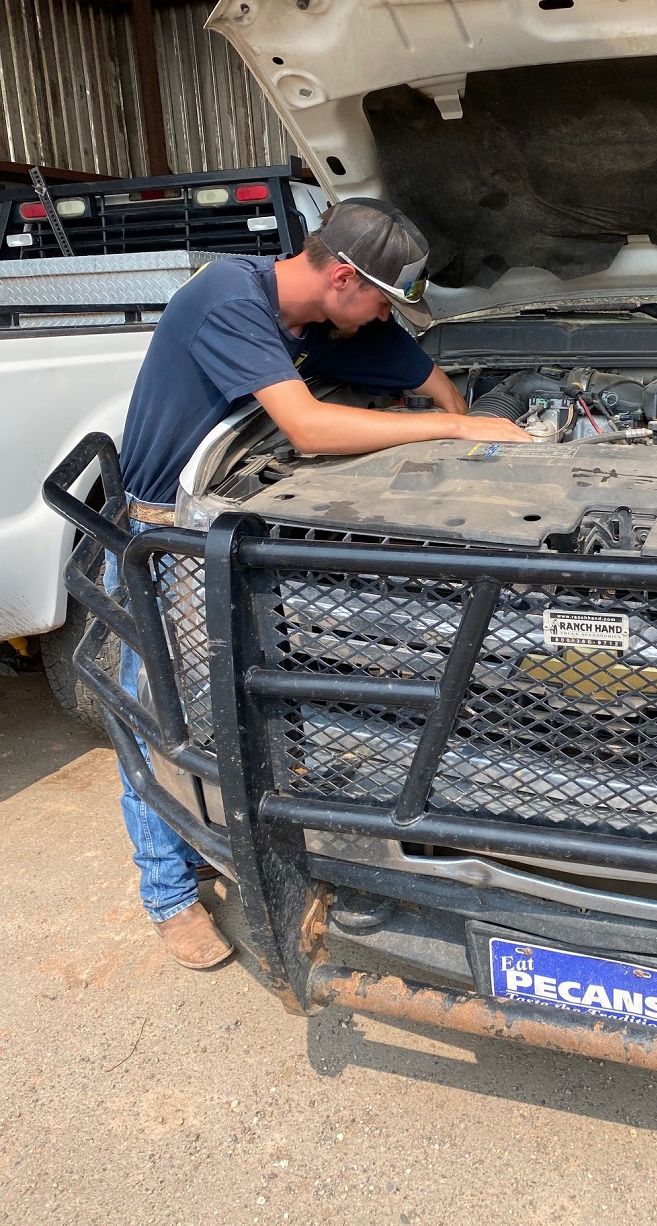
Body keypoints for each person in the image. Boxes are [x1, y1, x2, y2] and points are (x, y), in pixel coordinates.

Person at [113, 197, 531, 969]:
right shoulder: (226, 297)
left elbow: (436, 383)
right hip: (164, 533)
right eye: (381, 300)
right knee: (161, 715)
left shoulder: (319, 322)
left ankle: (265, 829)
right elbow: (307, 428)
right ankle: (169, 892)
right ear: (342, 278)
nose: (384, 320)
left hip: (241, 538)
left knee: (251, 711)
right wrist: (460, 430)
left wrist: (466, 421)